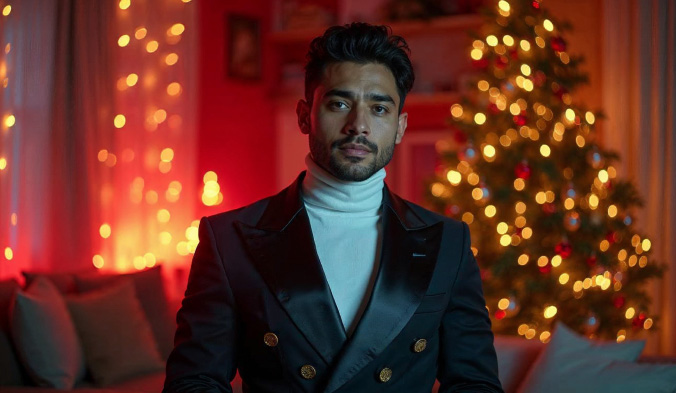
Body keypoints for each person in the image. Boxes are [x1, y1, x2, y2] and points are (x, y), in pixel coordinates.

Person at [163, 23, 503, 393]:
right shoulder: (228, 239)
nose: (358, 125)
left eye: (379, 108)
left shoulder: (448, 244)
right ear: (305, 115)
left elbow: (475, 384)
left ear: (400, 126)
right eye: (339, 104)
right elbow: (193, 383)